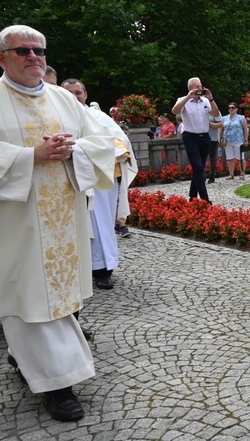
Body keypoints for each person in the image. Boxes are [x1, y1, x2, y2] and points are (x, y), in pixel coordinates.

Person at [0, 24, 114, 421]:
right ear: (3, 58)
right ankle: (57, 387)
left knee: (60, 299)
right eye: (22, 51)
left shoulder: (65, 98)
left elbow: (104, 141)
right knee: (29, 299)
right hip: (17, 226)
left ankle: (24, 356)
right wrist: (30, 155)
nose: (33, 56)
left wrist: (72, 150)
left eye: (39, 50)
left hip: (64, 223)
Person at [62, 78, 135, 288]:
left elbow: (120, 143)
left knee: (99, 223)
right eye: (69, 93)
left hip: (99, 179)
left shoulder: (98, 116)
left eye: (78, 92)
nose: (75, 97)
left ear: (85, 95)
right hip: (69, 179)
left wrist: (81, 151)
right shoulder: (57, 118)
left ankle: (102, 268)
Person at [172, 77, 219, 201]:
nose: (200, 88)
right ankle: (205, 198)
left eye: (201, 86)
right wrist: (188, 97)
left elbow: (215, 114)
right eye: (197, 86)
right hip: (190, 137)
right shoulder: (183, 100)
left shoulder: (205, 101)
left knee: (199, 167)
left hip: (205, 137)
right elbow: (174, 111)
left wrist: (211, 98)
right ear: (190, 88)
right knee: (198, 167)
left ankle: (192, 196)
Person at [220, 102, 248, 180]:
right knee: (229, 158)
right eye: (229, 108)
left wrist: (246, 139)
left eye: (232, 107)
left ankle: (242, 173)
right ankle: (231, 174)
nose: (231, 109)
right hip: (227, 141)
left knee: (240, 158)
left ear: (236, 109)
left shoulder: (241, 118)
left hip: (238, 140)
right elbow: (221, 129)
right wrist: (220, 139)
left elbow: (245, 129)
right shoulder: (224, 118)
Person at [207, 114, 223, 183]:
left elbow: (220, 124)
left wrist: (209, 124)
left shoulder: (214, 112)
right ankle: (201, 175)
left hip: (213, 138)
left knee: (213, 158)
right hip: (200, 138)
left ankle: (212, 175)